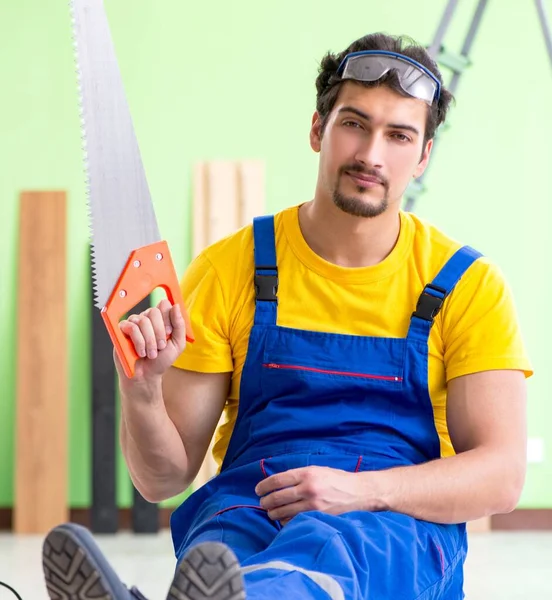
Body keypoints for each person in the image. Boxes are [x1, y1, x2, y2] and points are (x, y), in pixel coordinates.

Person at [41, 32, 532, 600]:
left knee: (333, 548)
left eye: (398, 135)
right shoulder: (234, 269)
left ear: (422, 156)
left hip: (389, 524)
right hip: (252, 503)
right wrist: (143, 392)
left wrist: (360, 491)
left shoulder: (466, 287)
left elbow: (501, 476)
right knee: (222, 547)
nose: (372, 154)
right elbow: (162, 480)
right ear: (318, 128)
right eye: (354, 123)